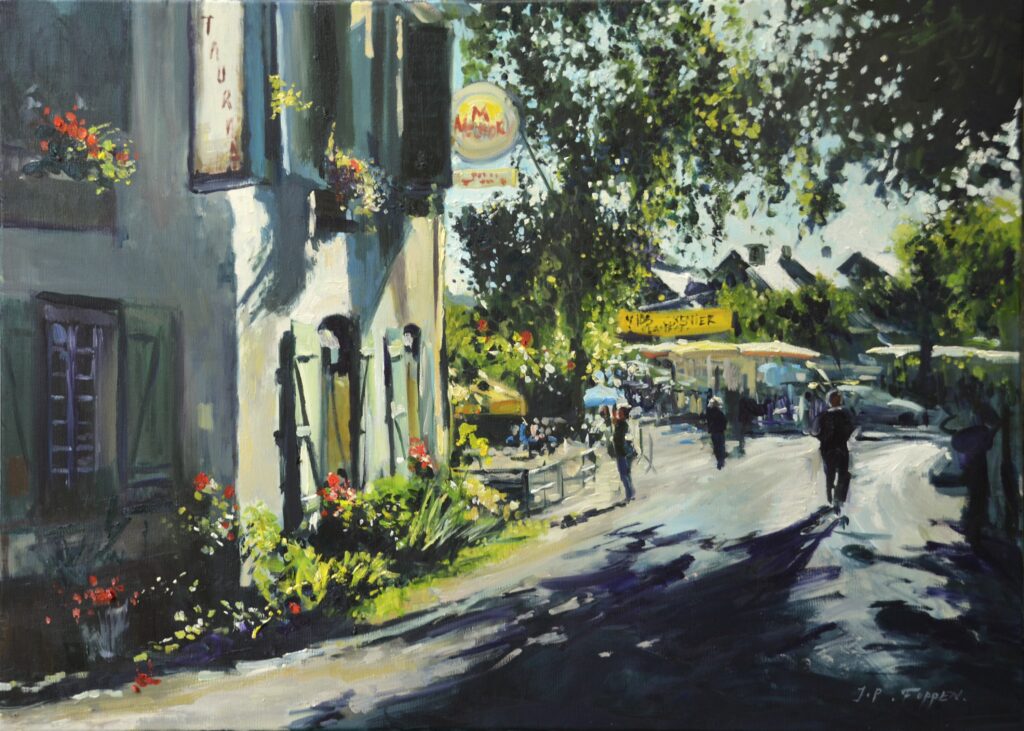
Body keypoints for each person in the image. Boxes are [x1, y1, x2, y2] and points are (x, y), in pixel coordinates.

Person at [811, 390, 856, 513]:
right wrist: (844, 436)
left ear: (829, 401)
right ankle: (838, 500)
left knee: (830, 475)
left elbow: (814, 431)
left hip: (827, 449)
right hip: (841, 448)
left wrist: (823, 437)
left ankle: (830, 499)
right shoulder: (845, 414)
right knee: (843, 474)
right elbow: (852, 428)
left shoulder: (822, 416)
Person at [612, 405, 636, 502]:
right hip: (623, 452)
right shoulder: (620, 423)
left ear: (624, 415)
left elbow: (620, 439)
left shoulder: (623, 425)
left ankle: (629, 495)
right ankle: (631, 493)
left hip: (623, 453)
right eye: (618, 413)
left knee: (624, 475)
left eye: (620, 413)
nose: (618, 414)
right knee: (627, 474)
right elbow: (614, 417)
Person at [706, 396, 728, 469]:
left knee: (716, 447)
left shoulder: (709, 413)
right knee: (721, 446)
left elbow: (708, 422)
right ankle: (721, 462)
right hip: (720, 432)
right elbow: (724, 421)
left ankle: (719, 460)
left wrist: (710, 429)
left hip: (713, 432)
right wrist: (724, 428)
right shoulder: (720, 413)